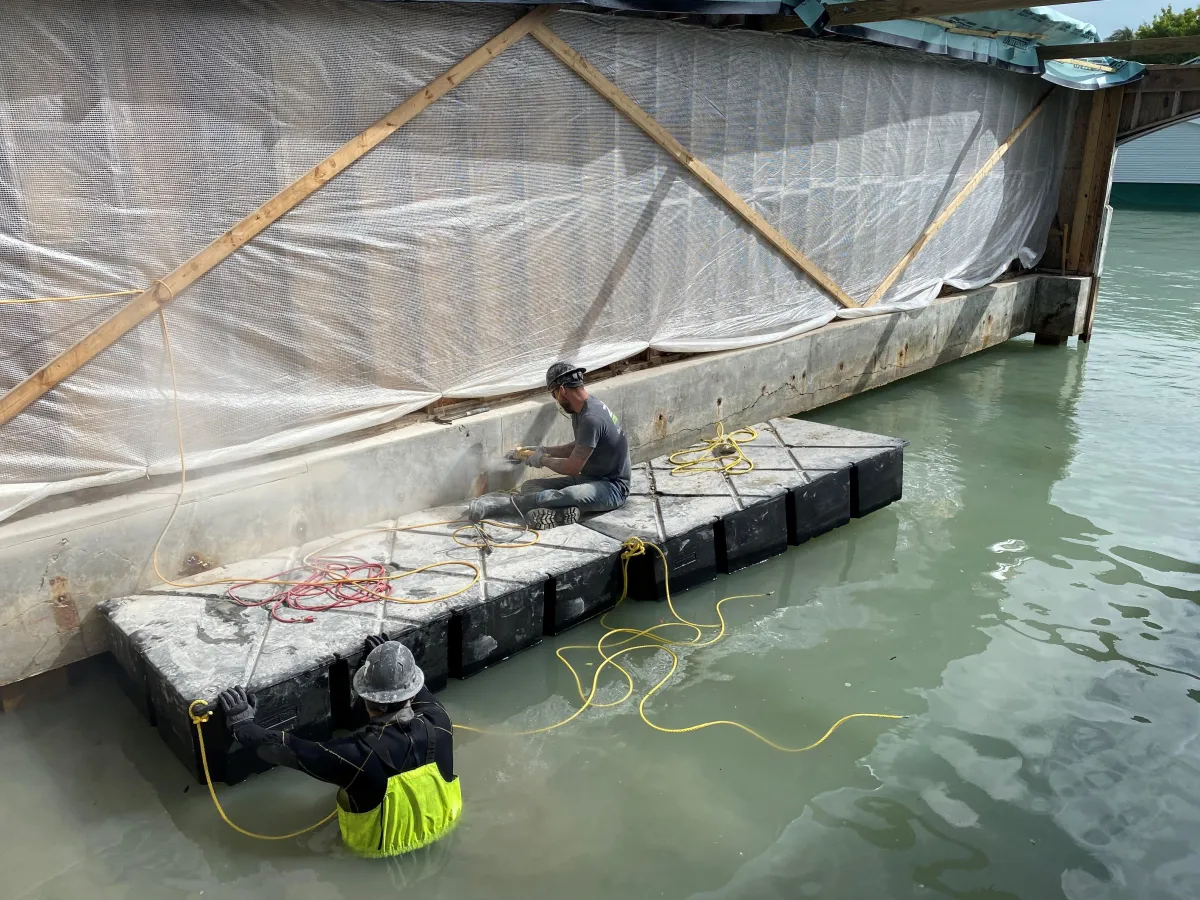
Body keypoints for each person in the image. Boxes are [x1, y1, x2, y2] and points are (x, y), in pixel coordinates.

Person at [217, 636, 460, 858]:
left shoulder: (354, 756)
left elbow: (287, 749)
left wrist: (242, 724)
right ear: (412, 692)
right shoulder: (439, 720)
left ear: (365, 696)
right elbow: (420, 692)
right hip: (443, 827)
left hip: (379, 851)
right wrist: (386, 667)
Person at [507, 362, 632, 530]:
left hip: (613, 487)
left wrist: (542, 460)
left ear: (563, 390)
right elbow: (579, 446)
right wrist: (544, 450)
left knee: (564, 495)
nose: (556, 400)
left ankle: (558, 510)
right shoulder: (580, 409)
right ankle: (566, 511)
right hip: (589, 478)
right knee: (530, 487)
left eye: (554, 394)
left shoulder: (591, 418)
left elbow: (572, 467)